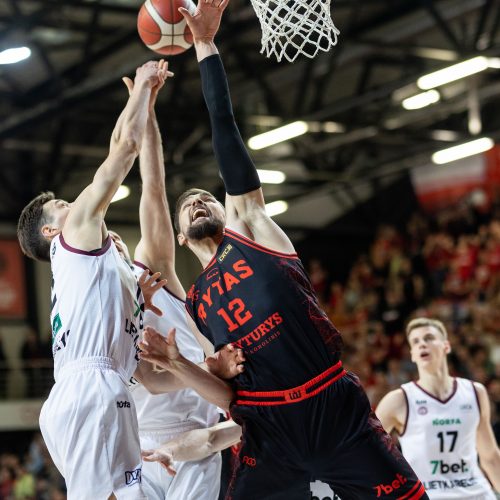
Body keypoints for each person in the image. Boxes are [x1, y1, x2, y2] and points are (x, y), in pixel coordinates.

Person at [138, 1, 429, 498]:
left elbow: (224, 126)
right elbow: (226, 392)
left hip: (331, 406)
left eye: (209, 197)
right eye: (189, 206)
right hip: (269, 429)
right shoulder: (198, 304)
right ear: (181, 238)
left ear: (230, 212)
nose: (200, 202)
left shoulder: (255, 232)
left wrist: (206, 45)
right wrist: (180, 365)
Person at [16, 60, 171, 499]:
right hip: (90, 389)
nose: (76, 204)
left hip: (93, 388)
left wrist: (137, 102)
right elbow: (121, 152)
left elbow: (117, 144)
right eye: (64, 204)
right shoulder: (73, 235)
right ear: (51, 231)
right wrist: (142, 88)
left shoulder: (87, 265)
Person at [113, 70, 225, 499]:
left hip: (197, 442)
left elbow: (154, 189)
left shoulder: (160, 279)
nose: (115, 239)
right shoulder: (107, 302)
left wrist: (150, 109)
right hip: (137, 446)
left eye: (118, 235)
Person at [376, 318, 500, 499]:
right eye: (416, 341)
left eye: (429, 338)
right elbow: (367, 453)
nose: (422, 344)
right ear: (412, 354)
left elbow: (490, 457)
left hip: (477, 493)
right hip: (430, 495)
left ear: (446, 346)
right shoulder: (399, 400)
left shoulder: (475, 392)